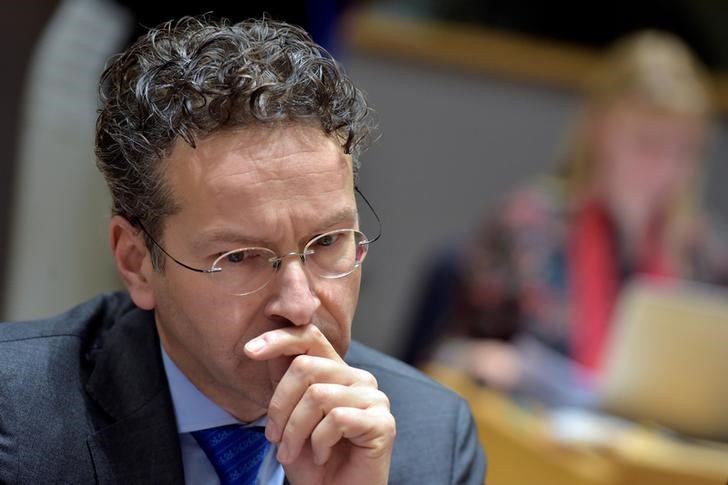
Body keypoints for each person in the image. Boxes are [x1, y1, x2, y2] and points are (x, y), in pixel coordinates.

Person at [0, 17, 485, 484]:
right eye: (239, 256)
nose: (300, 305)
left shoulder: (431, 439)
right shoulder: (16, 419)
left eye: (328, 242)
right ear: (136, 262)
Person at [406, 30, 728, 404]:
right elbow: (441, 359)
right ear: (599, 131)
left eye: (683, 150)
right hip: (532, 439)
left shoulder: (704, 254)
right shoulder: (527, 226)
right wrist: (483, 358)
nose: (664, 168)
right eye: (647, 142)